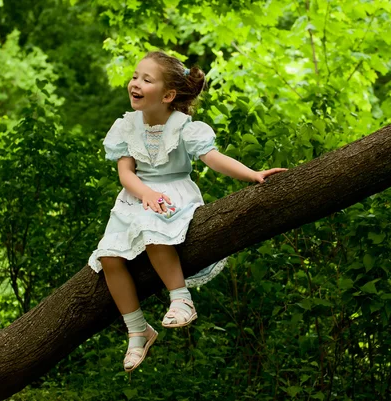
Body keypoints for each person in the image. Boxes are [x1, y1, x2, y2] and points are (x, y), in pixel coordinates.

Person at [88, 50, 286, 372]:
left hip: (172, 193)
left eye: (146, 80)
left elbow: (213, 158)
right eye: (135, 76)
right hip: (135, 195)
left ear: (168, 95)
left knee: (155, 234)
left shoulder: (183, 127)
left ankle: (181, 299)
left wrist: (253, 174)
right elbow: (125, 173)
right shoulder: (126, 126)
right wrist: (145, 193)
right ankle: (138, 329)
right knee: (109, 258)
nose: (135, 83)